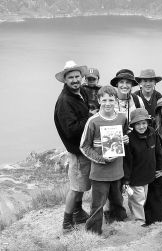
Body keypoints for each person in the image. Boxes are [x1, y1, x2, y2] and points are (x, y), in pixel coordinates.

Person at [80, 86, 129, 235]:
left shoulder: (122, 117)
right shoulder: (93, 121)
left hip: (117, 170)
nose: (108, 103)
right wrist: (101, 159)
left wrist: (125, 139)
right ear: (99, 100)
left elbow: (125, 134)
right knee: (97, 205)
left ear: (116, 100)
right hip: (100, 172)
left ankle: (117, 227)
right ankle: (93, 233)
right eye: (105, 100)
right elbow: (84, 147)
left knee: (117, 201)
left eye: (111, 100)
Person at [54, 60, 93, 233]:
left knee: (82, 185)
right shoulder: (65, 101)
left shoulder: (82, 92)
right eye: (71, 77)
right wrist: (91, 118)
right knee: (76, 188)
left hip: (84, 149)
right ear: (65, 80)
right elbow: (70, 130)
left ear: (82, 78)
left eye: (77, 76)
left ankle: (78, 213)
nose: (75, 80)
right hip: (77, 151)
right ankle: (67, 223)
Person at [123, 108, 162, 225]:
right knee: (139, 200)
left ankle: (135, 213)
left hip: (149, 174)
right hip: (135, 177)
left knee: (141, 198)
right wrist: (126, 179)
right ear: (133, 125)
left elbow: (158, 151)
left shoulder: (152, 133)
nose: (141, 127)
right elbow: (126, 161)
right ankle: (140, 222)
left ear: (148, 123)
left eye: (144, 123)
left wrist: (161, 168)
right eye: (138, 124)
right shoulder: (129, 139)